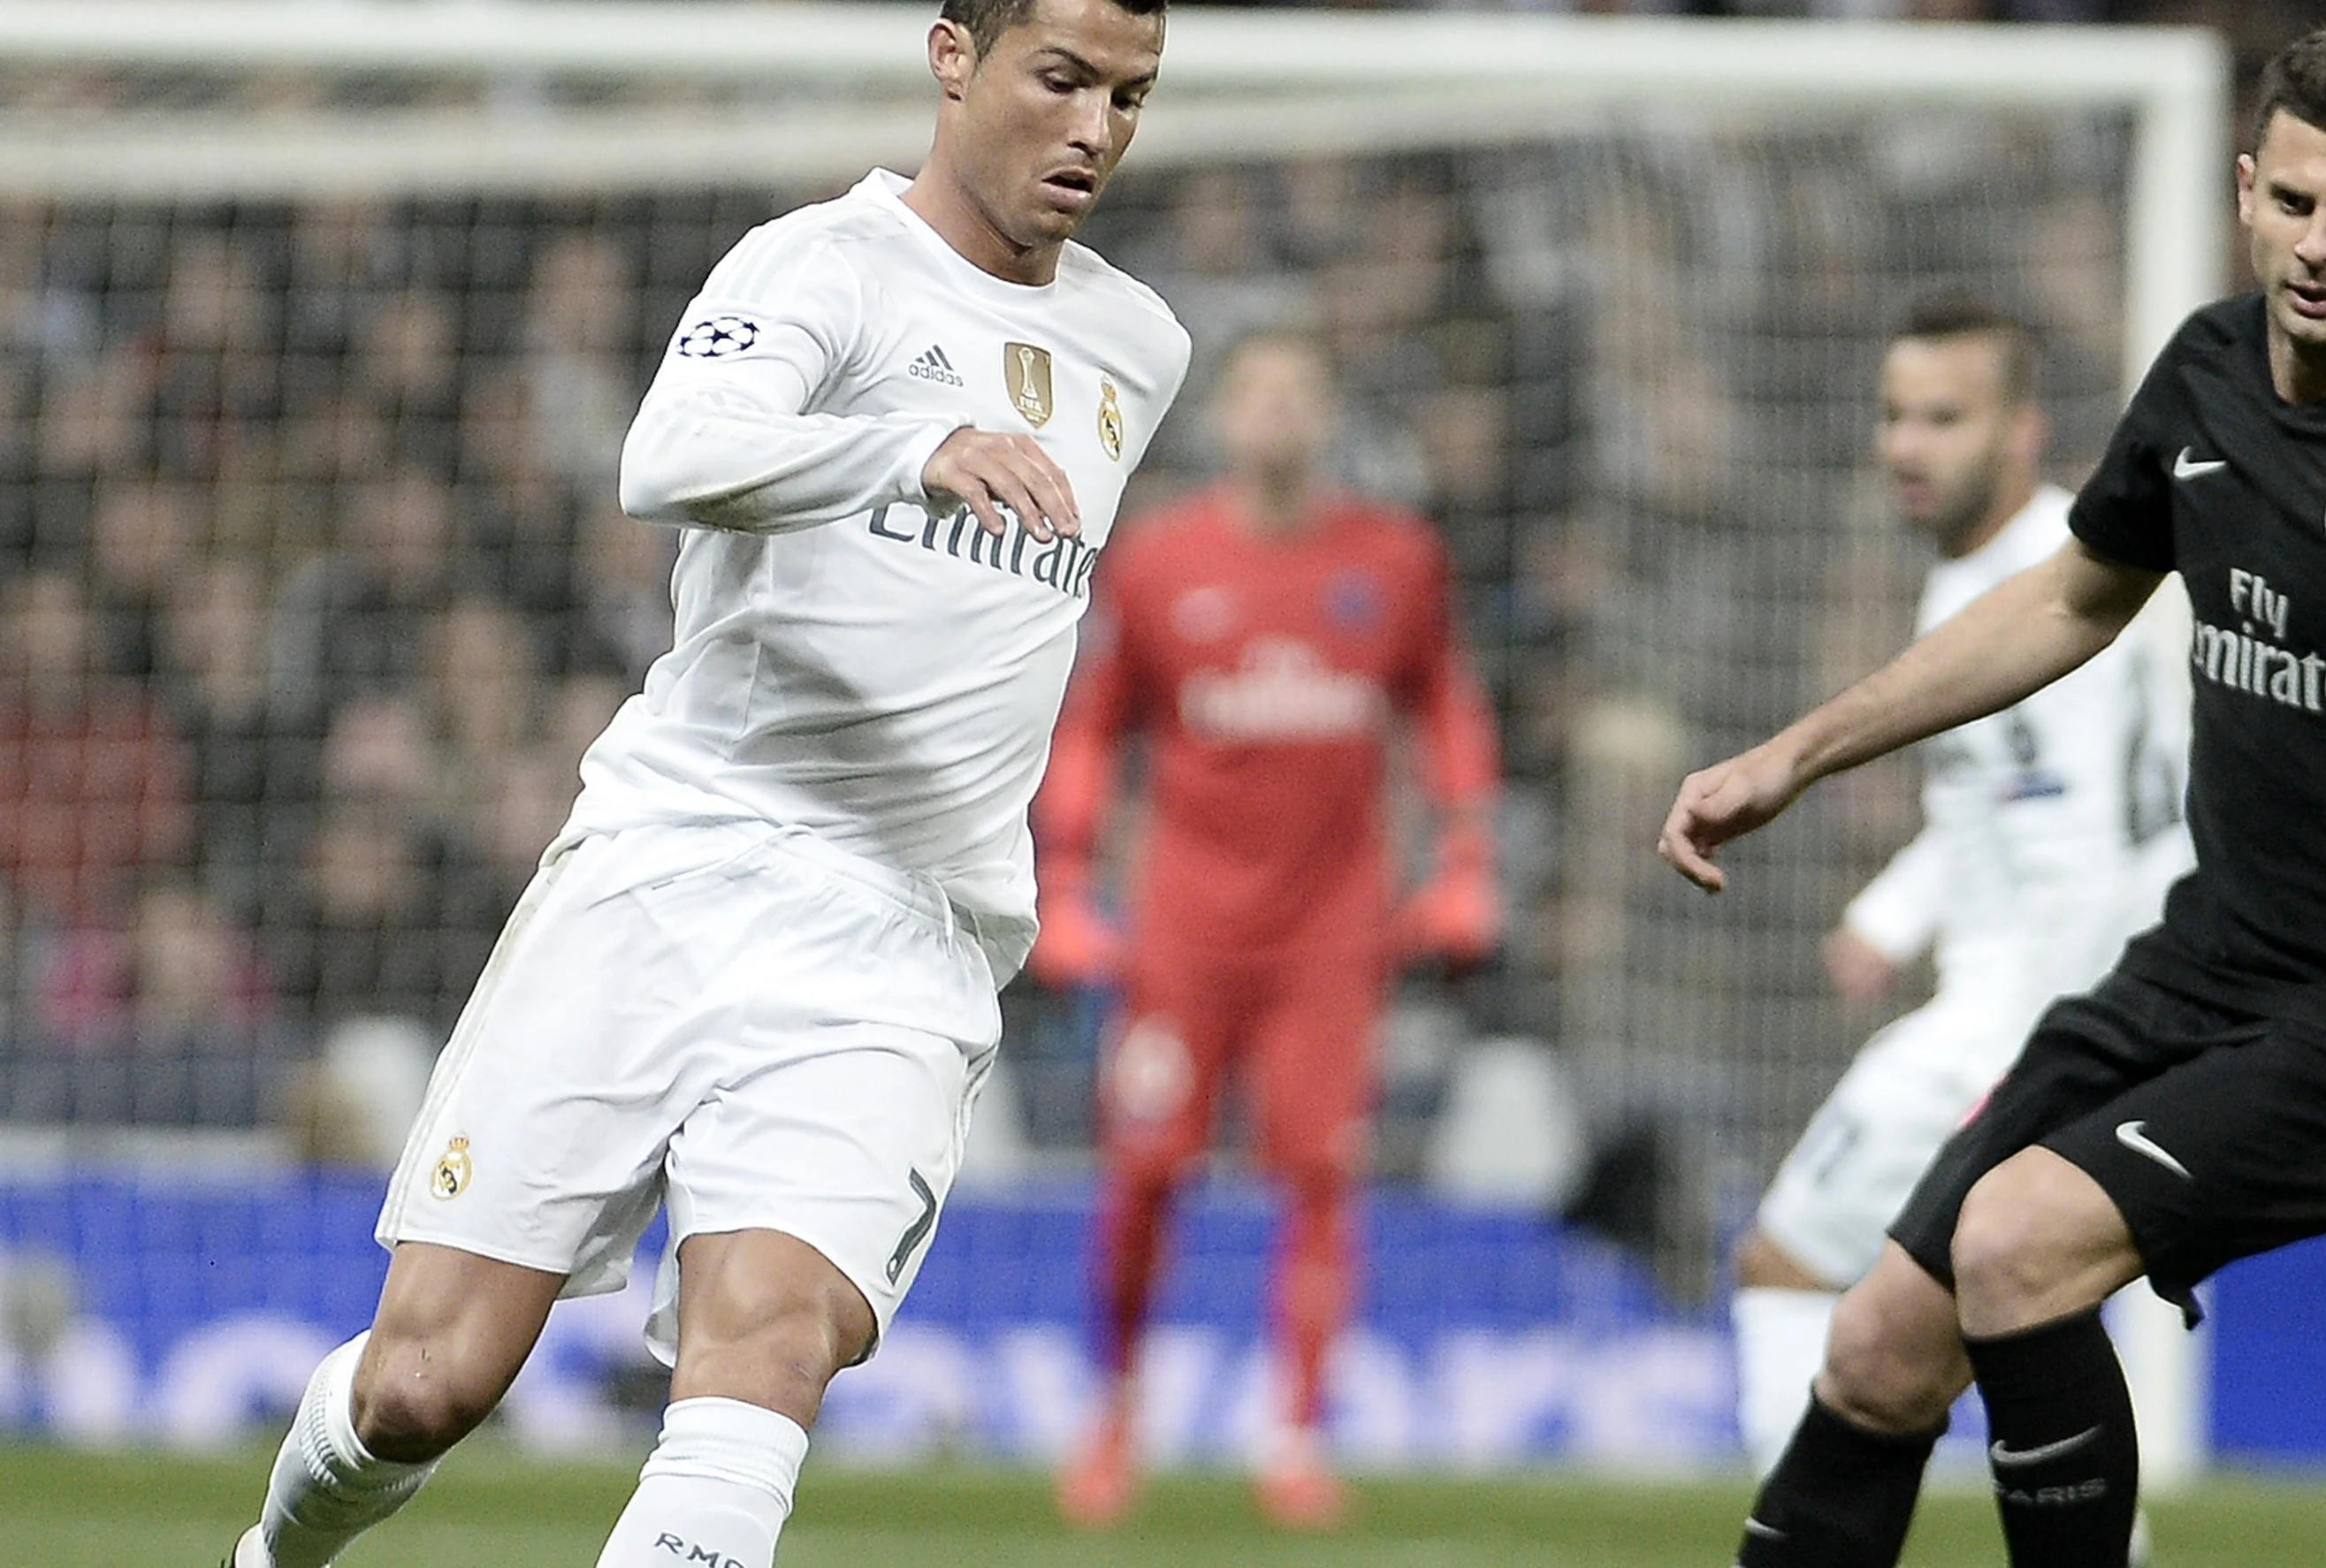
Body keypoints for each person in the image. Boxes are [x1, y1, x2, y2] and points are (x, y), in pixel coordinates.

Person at [1659, 24, 2326, 1568]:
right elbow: (2076, 597)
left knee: (2013, 1247)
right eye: (2291, 202)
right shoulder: (2207, 370)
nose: (2316, 244)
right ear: (2242, 189)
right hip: (2187, 967)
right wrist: (1797, 752)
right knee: (1873, 1344)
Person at [220, 0, 1186, 1564]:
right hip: (678, 861)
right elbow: (665, 454)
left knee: (771, 1333)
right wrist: (906, 445)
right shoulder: (818, 264)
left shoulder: (1138, 342)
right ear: (955, 59)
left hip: (906, 929)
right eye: (1060, 80)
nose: (1094, 130)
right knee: (425, 1380)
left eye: (1129, 98)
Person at [1032, 328, 1501, 1530]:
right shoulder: (1158, 561)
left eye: (1303, 391)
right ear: (1225, 415)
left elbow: (1441, 703)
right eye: (1260, 392)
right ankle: (1113, 1412)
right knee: (1142, 1172)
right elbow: (1095, 725)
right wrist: (1070, 884)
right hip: (1181, 930)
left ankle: (1294, 1435)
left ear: (1330, 412)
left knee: (1321, 1176)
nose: (1280, 412)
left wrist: (1463, 858)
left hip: (1332, 932)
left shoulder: (1395, 560)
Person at [1730, 298, 2190, 1480]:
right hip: (2041, 1003)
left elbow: (2084, 849)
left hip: (2019, 1018)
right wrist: (1890, 915)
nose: (1906, 445)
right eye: (1893, 415)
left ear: (2021, 430)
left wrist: (2042, 1060)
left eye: (1942, 417)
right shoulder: (2014, 574)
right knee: (2022, 1302)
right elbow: (1991, 809)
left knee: (1787, 1260)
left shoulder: (2036, 593)